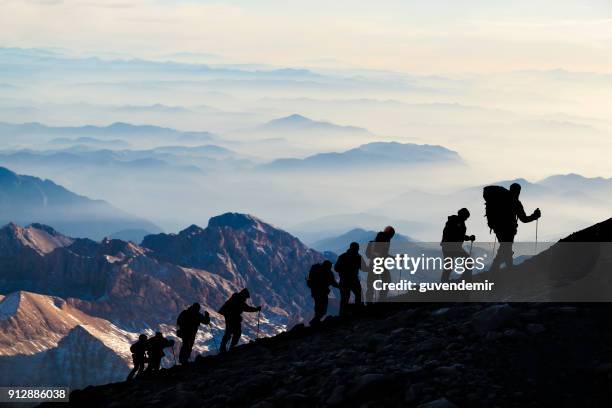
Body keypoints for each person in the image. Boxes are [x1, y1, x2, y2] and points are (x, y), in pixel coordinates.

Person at [485, 182, 541, 272]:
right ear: (518, 191)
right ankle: (497, 270)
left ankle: (505, 269)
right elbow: (524, 219)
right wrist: (535, 216)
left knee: (505, 249)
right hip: (508, 231)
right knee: (505, 249)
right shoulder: (516, 202)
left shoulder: (501, 199)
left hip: (498, 229)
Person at [440, 208, 475, 282]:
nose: (466, 219)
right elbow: (458, 234)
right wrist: (469, 237)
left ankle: (443, 283)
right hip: (452, 247)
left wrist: (468, 237)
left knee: (448, 267)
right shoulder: (457, 222)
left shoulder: (455, 221)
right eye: (466, 217)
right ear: (463, 215)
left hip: (449, 246)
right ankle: (465, 279)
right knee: (467, 260)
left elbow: (458, 234)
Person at [334, 242, 366, 316]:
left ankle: (342, 315)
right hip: (354, 280)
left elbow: (336, 268)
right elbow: (364, 268)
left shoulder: (342, 256)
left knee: (344, 299)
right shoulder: (358, 257)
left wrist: (343, 271)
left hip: (344, 281)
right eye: (357, 248)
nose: (357, 250)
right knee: (359, 296)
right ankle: (358, 312)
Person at [365, 226, 395, 302]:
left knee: (371, 285)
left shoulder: (372, 243)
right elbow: (384, 255)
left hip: (373, 265)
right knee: (387, 282)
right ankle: (381, 300)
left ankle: (369, 302)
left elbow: (368, 254)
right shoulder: (386, 241)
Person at [307, 260, 339, 326]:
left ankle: (315, 321)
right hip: (322, 293)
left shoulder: (316, 269)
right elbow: (333, 283)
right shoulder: (328, 273)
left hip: (315, 292)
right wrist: (340, 287)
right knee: (323, 308)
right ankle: (315, 322)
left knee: (318, 307)